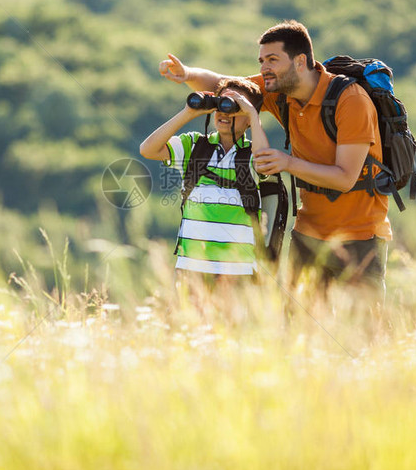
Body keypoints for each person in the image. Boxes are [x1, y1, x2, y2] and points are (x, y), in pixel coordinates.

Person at [158, 20, 391, 295]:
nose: (263, 69)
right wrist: (187, 73)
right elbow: (224, 84)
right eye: (261, 61)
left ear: (300, 61)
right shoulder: (280, 91)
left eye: (272, 59)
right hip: (308, 234)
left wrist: (288, 162)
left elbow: (345, 177)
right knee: (300, 331)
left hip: (361, 235)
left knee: (364, 331)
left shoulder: (351, 101)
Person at [139, 77, 270, 286]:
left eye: (235, 107)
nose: (224, 112)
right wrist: (188, 113)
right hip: (191, 266)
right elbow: (148, 149)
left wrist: (253, 115)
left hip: (238, 268)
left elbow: (264, 164)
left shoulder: (252, 153)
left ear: (248, 119)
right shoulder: (194, 146)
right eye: (221, 104)